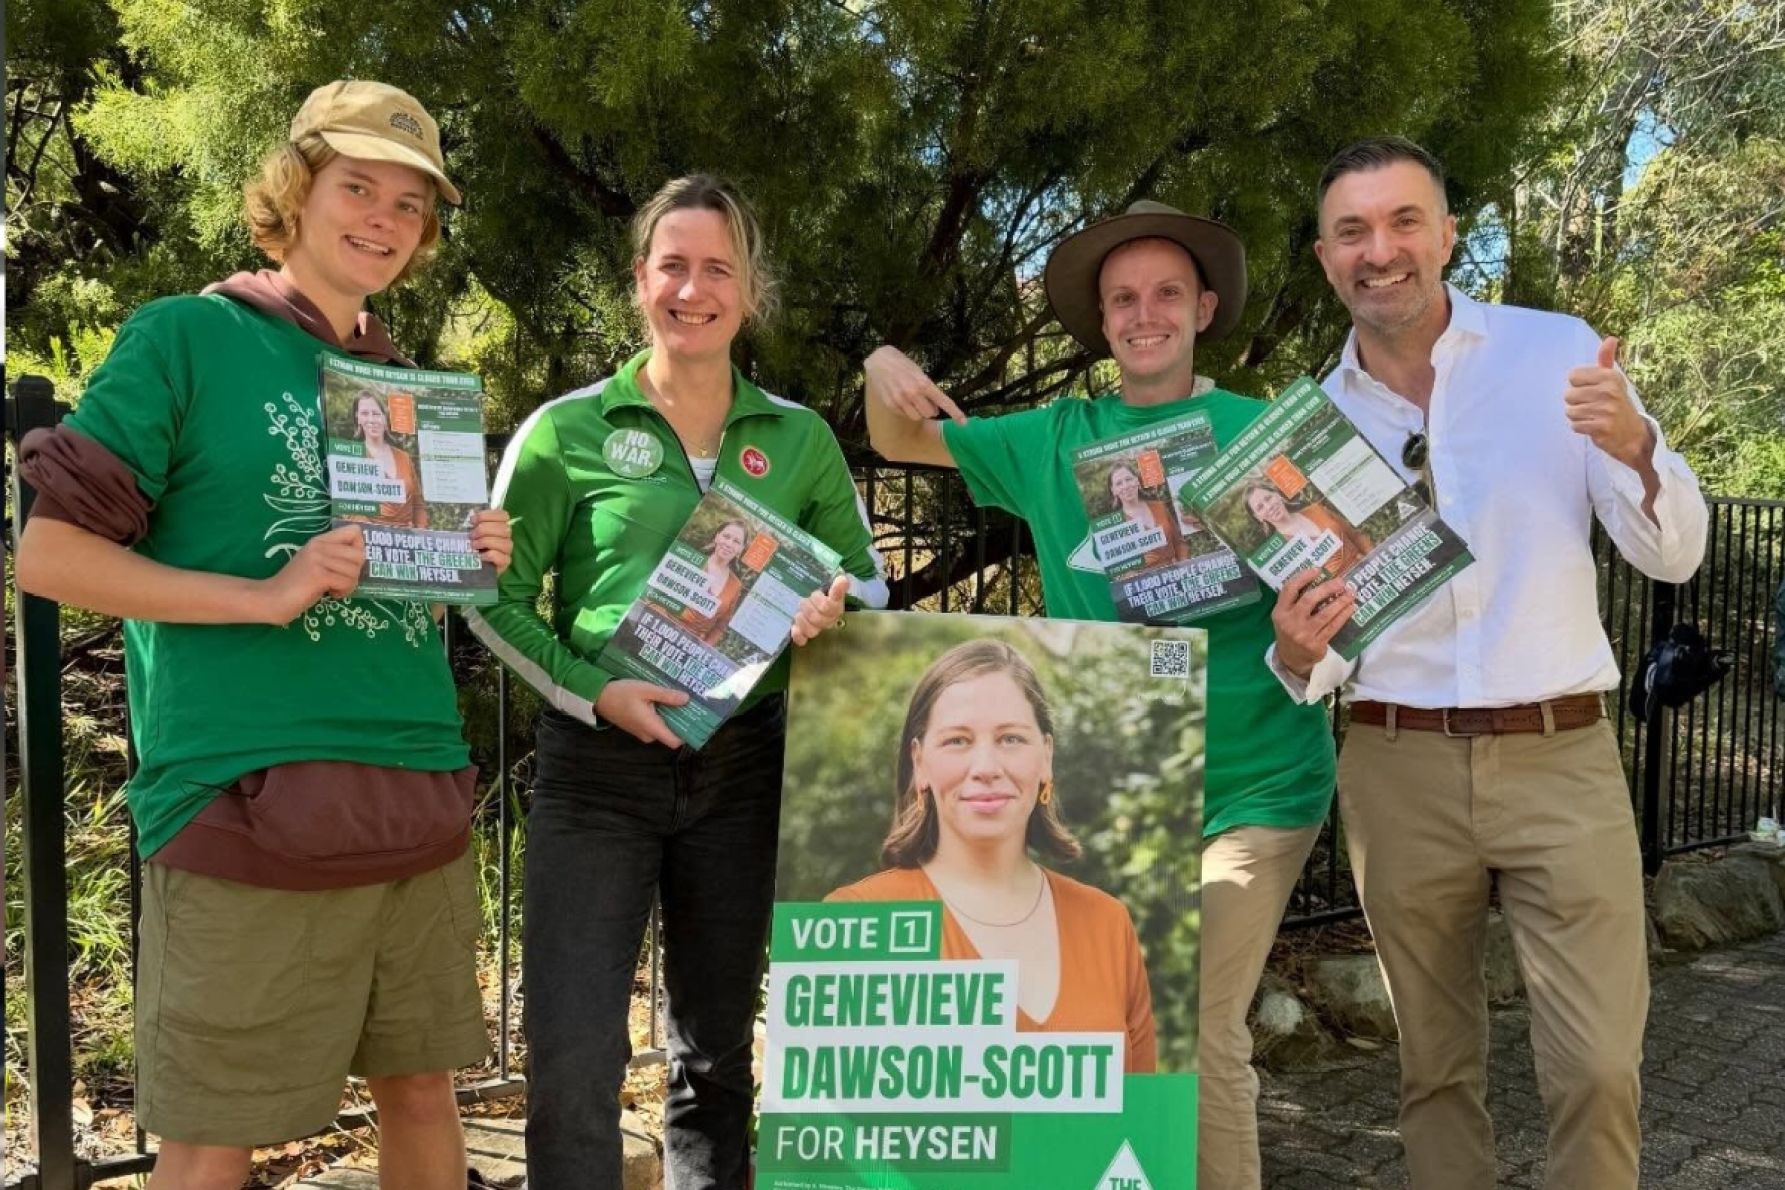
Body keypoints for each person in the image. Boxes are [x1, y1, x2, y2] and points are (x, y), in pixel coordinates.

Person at [14, 80, 511, 1190]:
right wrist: (266, 594)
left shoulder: (401, 383)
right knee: (211, 1134)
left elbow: (400, 599)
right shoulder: (188, 335)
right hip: (245, 801)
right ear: (296, 189)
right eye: (359, 186)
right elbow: (50, 558)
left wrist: (463, 549)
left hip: (418, 791)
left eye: (411, 205)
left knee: (425, 1091)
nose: (384, 219)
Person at [864, 200, 1335, 1189]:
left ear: (1204, 306)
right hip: (1118, 792)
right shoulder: (1053, 438)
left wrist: (1306, 641)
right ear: (1103, 319)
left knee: (1195, 1021)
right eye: (1124, 297)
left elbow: (1352, 607)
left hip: (1257, 786)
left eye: (1167, 292)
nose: (1145, 312)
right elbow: (901, 443)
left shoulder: (1259, 432)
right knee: (1099, 1029)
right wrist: (881, 368)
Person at [1268, 137, 1708, 1189]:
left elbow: (1675, 552)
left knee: (1601, 1065)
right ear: (1326, 258)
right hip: (1395, 763)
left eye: (1404, 220)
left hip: (1562, 754)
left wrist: (1641, 446)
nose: (1381, 250)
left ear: (1449, 232)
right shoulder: (1305, 428)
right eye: (1352, 231)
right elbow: (1324, 645)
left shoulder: (1556, 354)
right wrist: (1297, 653)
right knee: (1434, 1069)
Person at [465, 174, 889, 1190]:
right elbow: (491, 597)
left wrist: (834, 604)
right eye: (672, 266)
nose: (691, 290)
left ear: (750, 290)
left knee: (716, 1057)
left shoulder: (798, 436)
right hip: (597, 768)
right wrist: (589, 691)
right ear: (639, 281)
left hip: (744, 766)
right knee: (572, 1061)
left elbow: (866, 579)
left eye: (717, 269)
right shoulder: (565, 429)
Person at [827, 639, 1157, 1072]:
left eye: (1011, 738)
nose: (986, 766)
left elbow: (1139, 1121)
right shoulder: (857, 918)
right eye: (958, 740)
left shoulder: (1107, 922)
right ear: (919, 762)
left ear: (1046, 757)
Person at [1242, 482, 1371, 576]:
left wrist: (1373, 557)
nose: (1268, 506)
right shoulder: (1278, 550)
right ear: (1258, 517)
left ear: (1277, 495)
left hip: (1369, 567)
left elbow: (1356, 536)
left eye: (1268, 498)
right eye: (1260, 507)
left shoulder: (1316, 509)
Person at [349, 390, 428, 529]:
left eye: (376, 413)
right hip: (369, 541)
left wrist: (419, 531)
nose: (371, 420)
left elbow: (418, 505)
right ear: (358, 418)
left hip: (408, 541)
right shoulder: (352, 456)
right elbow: (350, 509)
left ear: (385, 417)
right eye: (364, 413)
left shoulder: (404, 457)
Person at [1107, 461, 1188, 567]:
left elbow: (1179, 543)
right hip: (1146, 580)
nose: (1125, 486)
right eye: (1119, 483)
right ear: (1113, 490)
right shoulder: (1116, 524)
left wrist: (1183, 563)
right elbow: (1119, 567)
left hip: (1176, 574)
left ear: (1136, 481)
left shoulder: (1159, 506)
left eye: (1128, 479)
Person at [681, 519, 749, 644]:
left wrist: (703, 648)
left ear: (741, 548)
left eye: (736, 541)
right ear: (717, 537)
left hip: (692, 646)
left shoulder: (735, 585)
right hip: (660, 627)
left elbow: (721, 626)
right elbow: (659, 596)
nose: (729, 543)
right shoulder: (691, 560)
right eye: (726, 536)